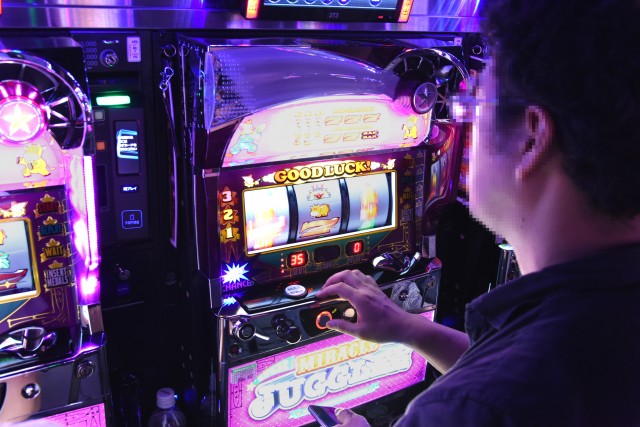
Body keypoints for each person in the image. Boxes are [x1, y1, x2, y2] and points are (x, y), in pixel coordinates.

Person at [316, 0, 640, 425]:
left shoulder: (460, 411)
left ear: (530, 137)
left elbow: (503, 394)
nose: (462, 127)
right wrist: (411, 327)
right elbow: (544, 376)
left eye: (475, 104)